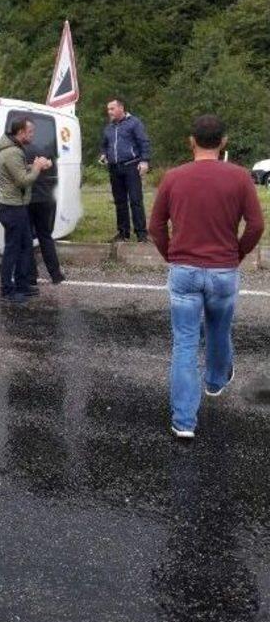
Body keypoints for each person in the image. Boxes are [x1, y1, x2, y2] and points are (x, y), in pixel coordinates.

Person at [149, 115, 265, 439]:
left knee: (185, 342)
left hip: (184, 271)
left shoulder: (173, 178)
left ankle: (184, 421)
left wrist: (171, 255)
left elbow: (155, 226)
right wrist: (237, 255)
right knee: (219, 329)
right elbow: (256, 225)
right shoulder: (240, 177)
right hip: (223, 270)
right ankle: (215, 382)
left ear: (192, 141)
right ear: (223, 142)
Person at [0, 118, 51, 303]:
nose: (32, 135)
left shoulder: (15, 149)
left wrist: (37, 166)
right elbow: (22, 180)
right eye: (30, 132)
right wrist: (35, 167)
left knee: (26, 246)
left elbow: (19, 170)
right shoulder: (12, 152)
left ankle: (22, 285)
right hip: (12, 208)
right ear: (20, 132)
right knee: (13, 249)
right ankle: (7, 289)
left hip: (18, 206)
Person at [99, 97, 151, 243]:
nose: (109, 112)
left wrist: (145, 161)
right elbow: (104, 145)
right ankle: (123, 233)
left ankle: (141, 234)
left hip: (131, 166)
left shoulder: (134, 123)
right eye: (108, 109)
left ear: (121, 108)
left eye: (112, 109)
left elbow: (144, 142)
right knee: (119, 201)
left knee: (135, 200)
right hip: (114, 168)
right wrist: (103, 154)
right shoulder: (109, 127)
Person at [24, 143, 66, 287]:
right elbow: (52, 168)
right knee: (45, 236)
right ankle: (56, 274)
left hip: (28, 200)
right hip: (44, 198)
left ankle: (31, 276)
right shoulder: (43, 150)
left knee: (27, 238)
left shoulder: (18, 153)